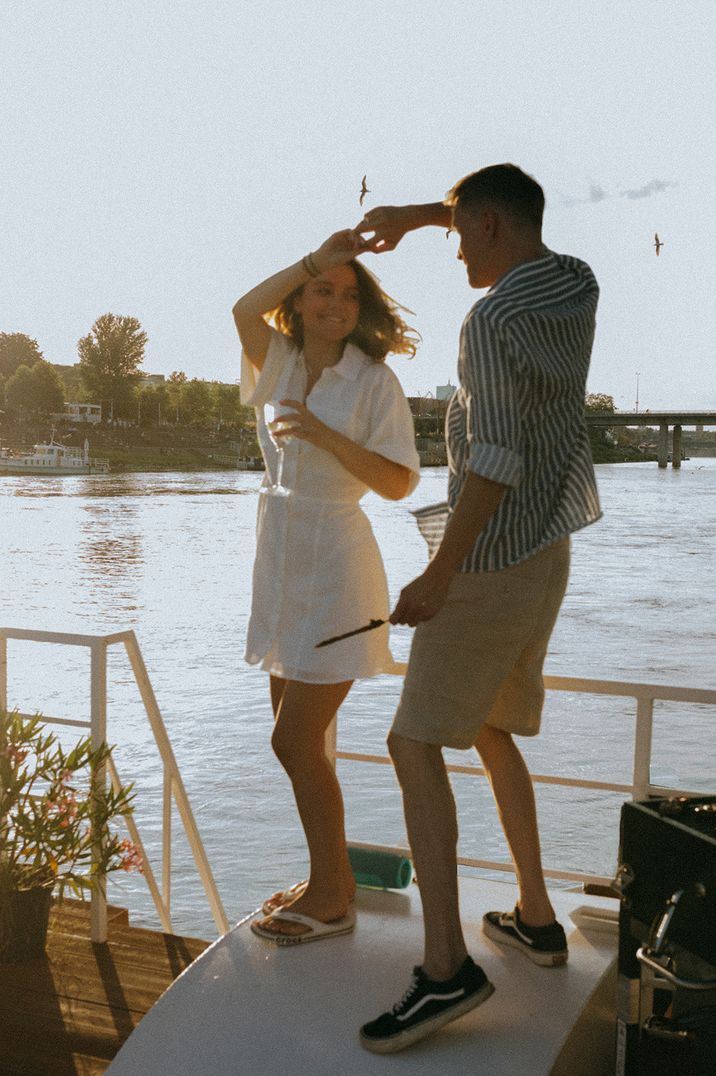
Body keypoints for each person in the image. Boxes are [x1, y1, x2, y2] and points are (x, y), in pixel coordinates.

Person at [356, 164, 601, 1052]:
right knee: (492, 728)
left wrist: (438, 577)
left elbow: (491, 457)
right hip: (548, 549)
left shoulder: (492, 319)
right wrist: (418, 214)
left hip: (490, 559)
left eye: (461, 233)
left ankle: (446, 969)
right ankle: (535, 916)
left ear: (493, 227)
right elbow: (500, 207)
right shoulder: (575, 282)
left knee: (413, 742)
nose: (453, 246)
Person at [232, 228, 421, 944]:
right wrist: (316, 254)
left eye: (348, 293)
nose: (336, 302)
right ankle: (327, 879)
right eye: (322, 288)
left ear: (361, 307)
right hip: (280, 562)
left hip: (340, 565)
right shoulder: (275, 358)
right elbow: (243, 309)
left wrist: (321, 433)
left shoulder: (373, 380)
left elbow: (401, 481)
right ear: (301, 297)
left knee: (294, 741)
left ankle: (334, 891)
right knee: (299, 742)